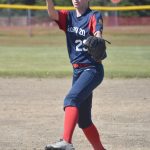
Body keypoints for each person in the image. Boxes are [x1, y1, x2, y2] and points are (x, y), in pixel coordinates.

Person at [45, 0, 106, 150]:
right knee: (84, 120)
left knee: (71, 99)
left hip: (92, 69)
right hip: (78, 71)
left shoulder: (93, 15)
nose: (76, 0)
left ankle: (66, 142)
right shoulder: (69, 16)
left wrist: (97, 38)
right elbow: (52, 14)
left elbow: (98, 31)